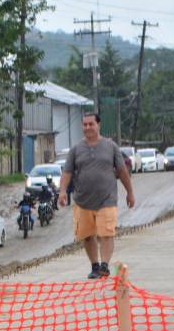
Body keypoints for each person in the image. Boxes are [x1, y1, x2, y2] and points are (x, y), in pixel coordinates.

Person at [58, 113, 137, 279]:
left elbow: (122, 171)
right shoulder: (76, 150)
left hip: (106, 199)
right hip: (82, 201)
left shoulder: (111, 147)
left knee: (106, 233)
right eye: (85, 125)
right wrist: (63, 191)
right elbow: (67, 172)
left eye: (91, 124)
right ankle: (94, 266)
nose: (87, 128)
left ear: (98, 125)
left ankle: (104, 265)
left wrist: (130, 192)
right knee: (87, 236)